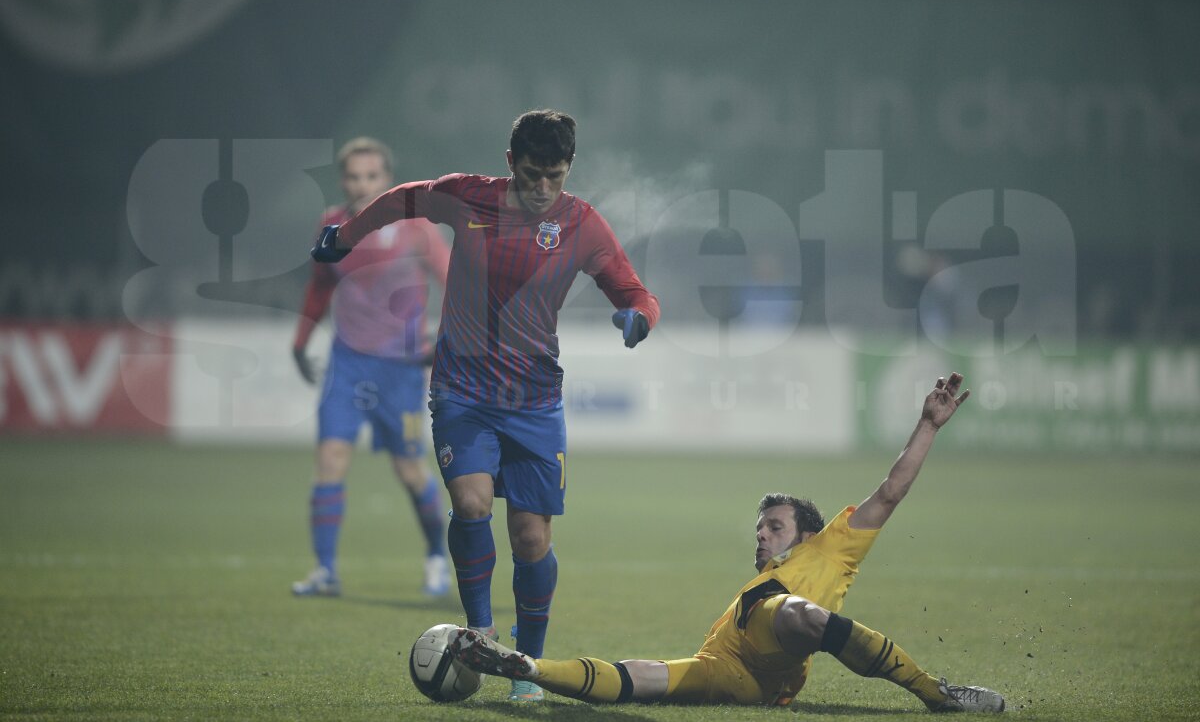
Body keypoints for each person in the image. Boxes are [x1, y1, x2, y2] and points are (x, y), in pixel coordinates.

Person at [311, 110, 660, 702]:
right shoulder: (466, 199)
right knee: (470, 502)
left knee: (530, 538)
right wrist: (345, 237)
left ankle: (529, 663)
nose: (543, 186)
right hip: (462, 390)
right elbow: (402, 200)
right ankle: (480, 629)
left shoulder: (581, 224)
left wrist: (638, 319)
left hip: (534, 400)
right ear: (510, 163)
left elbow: (634, 291)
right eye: (532, 173)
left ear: (568, 168)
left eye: (555, 174)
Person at [448, 373, 1006, 713]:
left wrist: (928, 426)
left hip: (780, 647)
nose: (761, 534)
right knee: (641, 676)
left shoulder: (832, 548)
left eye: (775, 527)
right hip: (730, 660)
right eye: (760, 528)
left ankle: (937, 693)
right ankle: (524, 666)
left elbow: (889, 493)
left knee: (796, 614)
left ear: (808, 534)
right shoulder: (756, 586)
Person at [292, 137, 452, 599]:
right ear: (343, 180)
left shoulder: (416, 226)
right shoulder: (331, 225)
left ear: (387, 179)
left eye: (371, 177)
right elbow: (320, 287)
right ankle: (325, 570)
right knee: (330, 460)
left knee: (409, 470)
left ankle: (436, 557)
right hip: (347, 362)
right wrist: (300, 342)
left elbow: (454, 282)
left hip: (401, 369)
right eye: (353, 177)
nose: (362, 185)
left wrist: (447, 340)